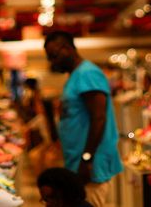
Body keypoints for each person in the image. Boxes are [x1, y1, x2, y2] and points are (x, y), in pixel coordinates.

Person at [44, 31, 122, 207]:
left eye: (54, 56)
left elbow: (99, 118)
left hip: (90, 164)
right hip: (79, 161)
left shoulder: (88, 73)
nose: (52, 62)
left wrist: (87, 159)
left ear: (67, 48)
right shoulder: (75, 75)